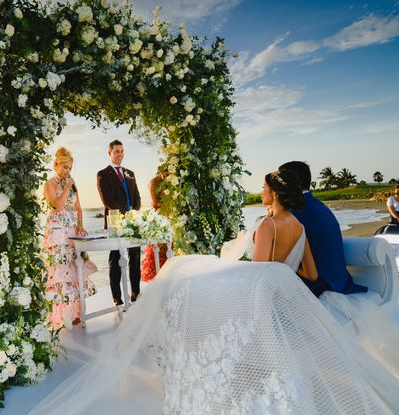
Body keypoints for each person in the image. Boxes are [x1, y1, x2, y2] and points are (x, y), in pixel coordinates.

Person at [32, 171, 399, 415]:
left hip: (262, 296)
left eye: (266, 188)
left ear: (274, 193)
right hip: (282, 289)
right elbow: (311, 272)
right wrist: (286, 274)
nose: (262, 191)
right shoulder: (299, 224)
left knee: (193, 284)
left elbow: (258, 274)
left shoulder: (270, 223)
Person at [279, 160, 366, 295]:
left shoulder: (295, 211)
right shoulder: (315, 205)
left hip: (322, 283)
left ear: (288, 182)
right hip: (338, 279)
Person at [43, 147, 97, 329]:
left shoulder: (73, 185)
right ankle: (61, 316)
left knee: (74, 272)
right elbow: (56, 207)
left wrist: (80, 224)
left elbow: (79, 208)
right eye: (65, 167)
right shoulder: (49, 184)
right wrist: (66, 187)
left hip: (72, 232)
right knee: (61, 274)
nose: (68, 171)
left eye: (70, 168)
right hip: (58, 234)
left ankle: (75, 314)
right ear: (56, 165)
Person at [97, 140, 141, 305]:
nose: (120, 154)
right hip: (115, 221)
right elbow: (107, 199)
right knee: (115, 258)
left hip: (133, 222)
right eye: (116, 151)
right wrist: (124, 216)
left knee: (135, 256)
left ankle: (136, 291)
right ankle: (117, 297)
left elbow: (137, 197)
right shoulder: (103, 174)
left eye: (122, 151)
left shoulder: (130, 173)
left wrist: (134, 214)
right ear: (110, 153)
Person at [140, 172, 169, 281]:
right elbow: (156, 204)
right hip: (161, 222)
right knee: (158, 256)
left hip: (170, 222)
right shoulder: (154, 181)